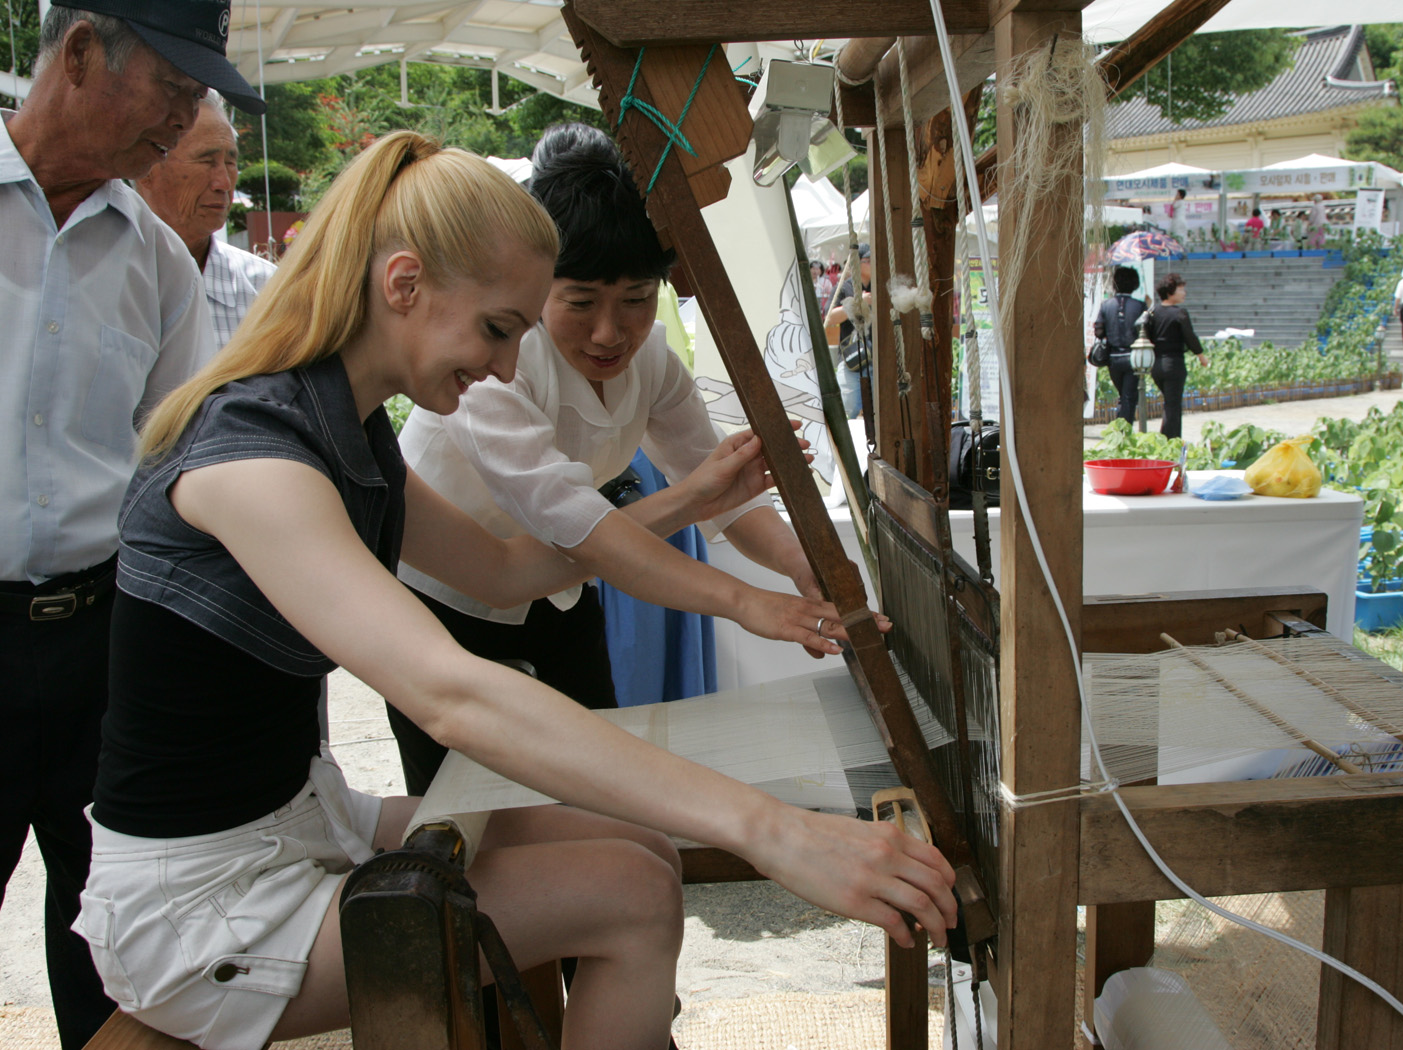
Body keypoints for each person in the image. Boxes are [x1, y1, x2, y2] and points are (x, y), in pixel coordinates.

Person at [76, 130, 956, 1050]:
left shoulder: (348, 430)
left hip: (305, 823)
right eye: (500, 330)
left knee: (642, 841)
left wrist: (719, 533)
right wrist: (769, 828)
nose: (506, 367)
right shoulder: (257, 457)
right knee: (633, 895)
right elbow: (451, 693)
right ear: (402, 284)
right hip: (206, 907)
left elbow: (506, 570)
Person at [391, 122, 853, 792]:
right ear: (531, 285)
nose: (611, 333)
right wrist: (741, 596)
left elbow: (726, 490)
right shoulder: (494, 366)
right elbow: (588, 524)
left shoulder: (654, 363)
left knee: (595, 785)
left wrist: (802, 566)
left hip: (557, 590)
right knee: (464, 807)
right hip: (439, 604)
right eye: (580, 303)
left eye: (636, 300)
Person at [1, 4, 263, 1048]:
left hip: (99, 638)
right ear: (78, 53)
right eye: (171, 85)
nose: (185, 117)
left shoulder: (157, 265)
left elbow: (180, 471)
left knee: (117, 940)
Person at [136, 89, 277, 348]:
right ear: (147, 167)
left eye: (231, 163)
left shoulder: (269, 293)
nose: (224, 183)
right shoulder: (101, 280)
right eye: (206, 161)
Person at [1144, 273, 1210, 440]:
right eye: (1181, 289)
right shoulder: (1180, 313)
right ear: (1170, 292)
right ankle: (1169, 441)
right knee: (1173, 405)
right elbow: (1190, 337)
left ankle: (1169, 439)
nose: (1184, 293)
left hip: (1157, 364)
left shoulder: (1153, 312)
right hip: (1174, 364)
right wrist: (1201, 356)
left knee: (1169, 403)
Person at [824, 243, 874, 419]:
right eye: (868, 260)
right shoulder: (845, 287)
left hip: (878, 360)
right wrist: (857, 303)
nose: (872, 263)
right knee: (849, 410)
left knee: (879, 413)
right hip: (852, 360)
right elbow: (829, 318)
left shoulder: (880, 287)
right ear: (858, 263)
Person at [1093, 266, 1145, 425]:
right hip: (1133, 358)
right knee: (1129, 396)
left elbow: (1098, 331)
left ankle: (1121, 428)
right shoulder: (1140, 306)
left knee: (1124, 395)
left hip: (1113, 358)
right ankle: (1123, 431)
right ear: (1135, 284)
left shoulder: (1106, 305)